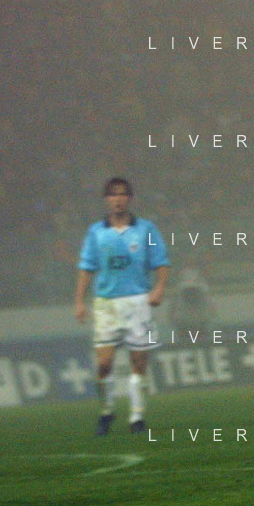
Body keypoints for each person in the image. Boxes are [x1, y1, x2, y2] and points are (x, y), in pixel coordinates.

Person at [74, 178, 170, 435]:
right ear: (107, 199)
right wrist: (79, 301)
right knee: (104, 363)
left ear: (130, 198)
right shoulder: (96, 232)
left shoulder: (146, 229)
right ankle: (107, 411)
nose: (118, 199)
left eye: (122, 194)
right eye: (113, 195)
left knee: (138, 362)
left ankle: (137, 417)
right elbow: (86, 268)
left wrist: (159, 288)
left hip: (138, 302)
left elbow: (161, 261)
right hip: (106, 305)